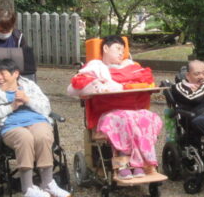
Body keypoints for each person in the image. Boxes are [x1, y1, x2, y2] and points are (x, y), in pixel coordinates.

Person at [67, 35, 162, 179]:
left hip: (132, 110)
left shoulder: (132, 68)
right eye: (117, 48)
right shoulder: (95, 68)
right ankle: (123, 163)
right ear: (105, 48)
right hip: (106, 114)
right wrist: (97, 86)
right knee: (124, 118)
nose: (121, 53)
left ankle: (143, 163)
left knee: (148, 117)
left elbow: (148, 82)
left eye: (123, 50)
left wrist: (126, 86)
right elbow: (75, 88)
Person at [0, 58, 71, 197]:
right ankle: (27, 187)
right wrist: (11, 107)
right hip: (11, 126)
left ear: (15, 73)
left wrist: (27, 100)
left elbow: (46, 107)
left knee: (43, 135)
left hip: (36, 121)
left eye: (3, 74)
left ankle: (47, 183)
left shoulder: (30, 86)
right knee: (25, 138)